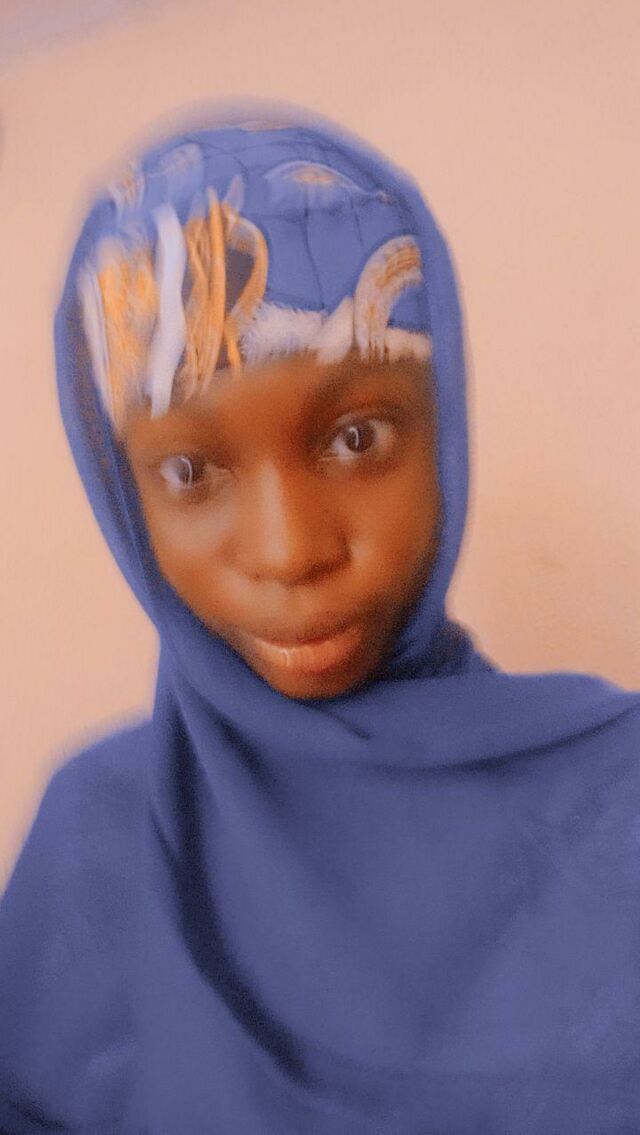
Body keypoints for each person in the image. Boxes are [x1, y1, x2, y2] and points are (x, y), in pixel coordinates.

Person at [1, 101, 639, 1135]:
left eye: (357, 438)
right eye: (189, 470)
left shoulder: (617, 803)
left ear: (443, 431)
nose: (290, 550)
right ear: (126, 500)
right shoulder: (96, 847)